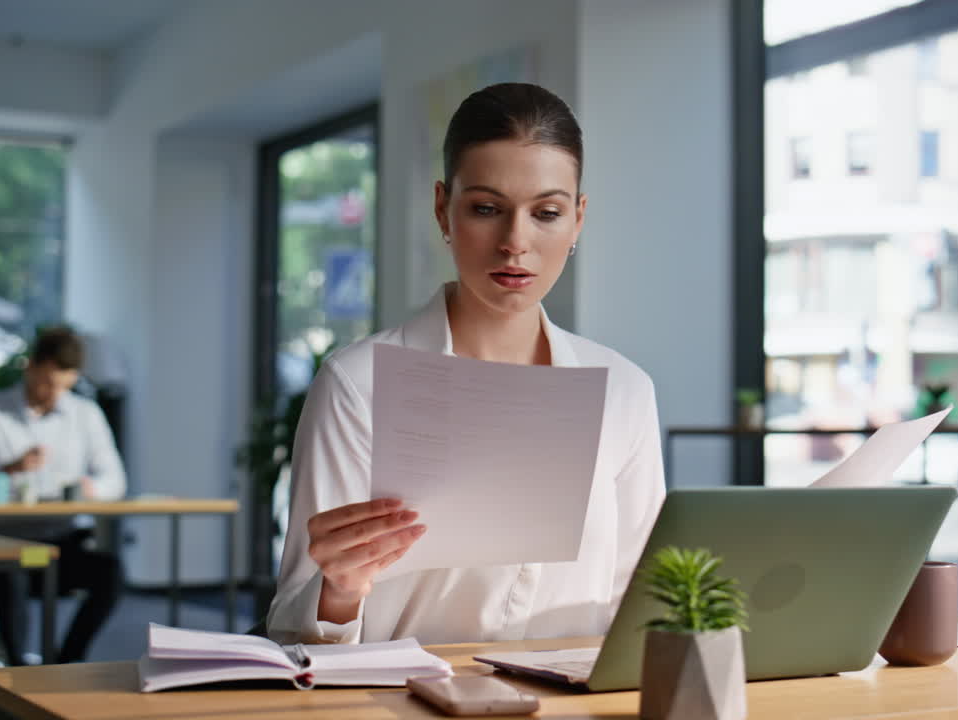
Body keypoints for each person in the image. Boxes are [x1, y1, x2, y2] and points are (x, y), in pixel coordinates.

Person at [268, 83, 666, 645]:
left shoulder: (624, 391)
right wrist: (338, 590)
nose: (515, 242)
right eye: (486, 209)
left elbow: (639, 600)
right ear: (442, 209)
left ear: (577, 220)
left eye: (546, 213)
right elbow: (293, 625)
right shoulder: (359, 384)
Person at [0, 326, 126, 664]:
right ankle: (18, 680)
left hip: (59, 544)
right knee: (13, 574)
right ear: (30, 366)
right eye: (47, 383)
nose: (53, 395)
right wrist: (10, 469)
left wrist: (91, 489)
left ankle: (66, 663)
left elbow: (115, 481)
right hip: (2, 545)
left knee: (110, 572)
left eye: (63, 386)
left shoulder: (85, 415)